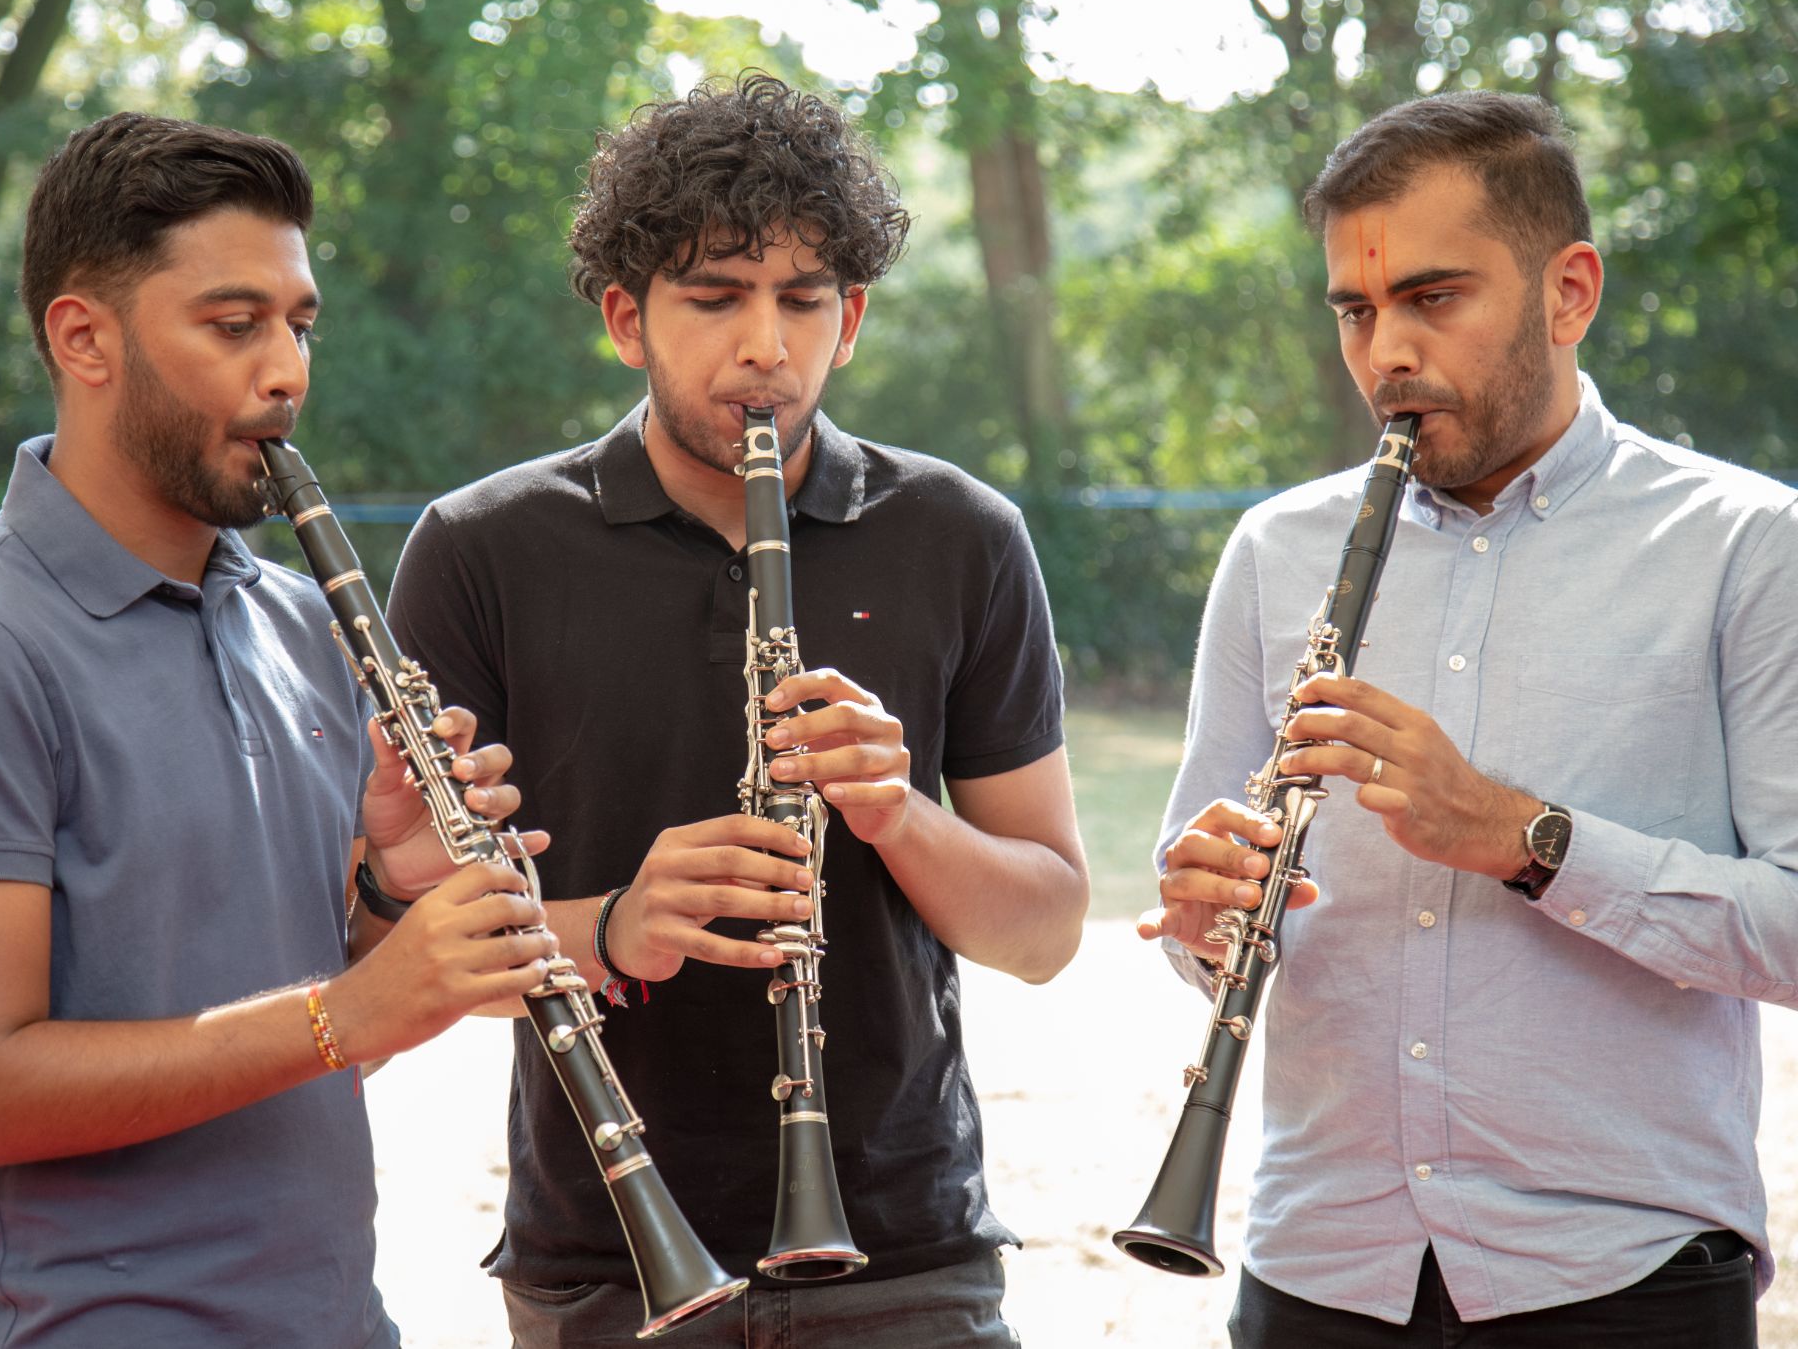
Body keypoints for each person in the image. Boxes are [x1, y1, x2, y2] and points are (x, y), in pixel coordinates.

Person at [384, 73, 1091, 1345]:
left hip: (903, 1253)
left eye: (802, 300)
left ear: (851, 318)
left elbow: (1043, 932)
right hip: (605, 1248)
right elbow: (415, 951)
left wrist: (897, 816)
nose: (763, 344)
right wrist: (612, 925)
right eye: (712, 298)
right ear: (624, 316)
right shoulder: (479, 549)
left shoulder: (961, 536)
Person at [0, 112, 557, 1347]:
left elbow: (302, 1040)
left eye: (299, 323)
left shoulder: (295, 622)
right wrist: (354, 1012)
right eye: (234, 326)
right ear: (85, 338)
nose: (286, 370)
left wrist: (392, 892)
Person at [1141, 90, 1798, 1347]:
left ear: (1569, 291)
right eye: (1354, 308)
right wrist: (1197, 913)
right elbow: (1199, 914)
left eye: (1430, 297)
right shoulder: (1276, 549)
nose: (1383, 350)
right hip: (1320, 1267)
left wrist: (1522, 839)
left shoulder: (1745, 546)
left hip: (1622, 1277)